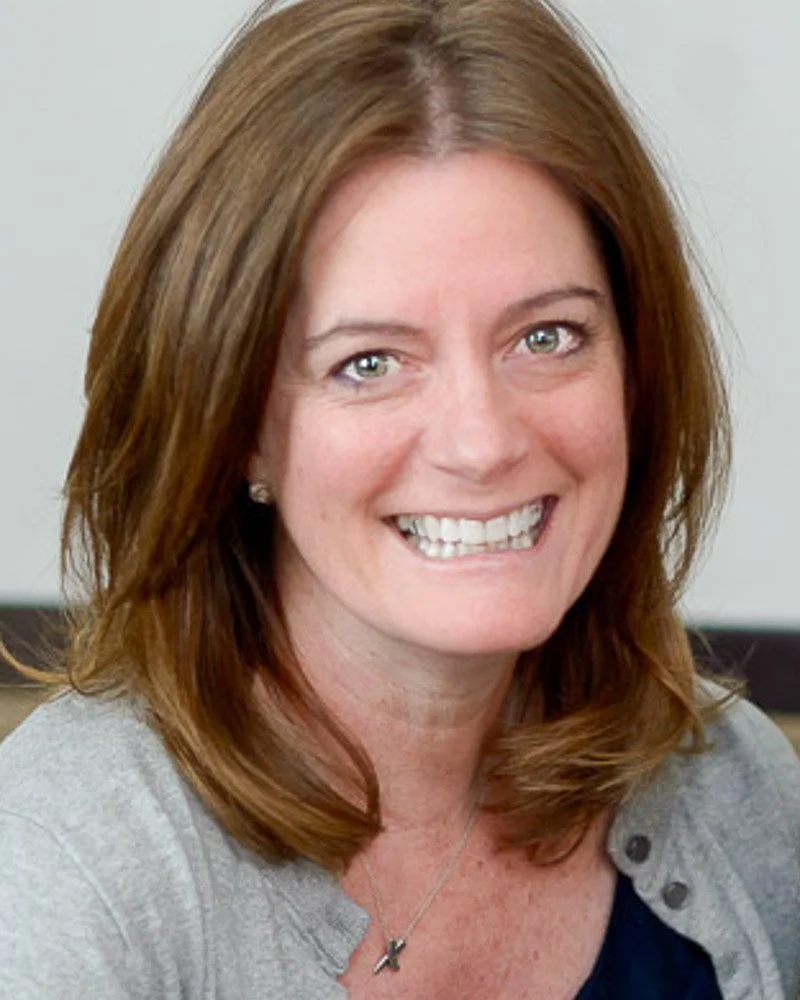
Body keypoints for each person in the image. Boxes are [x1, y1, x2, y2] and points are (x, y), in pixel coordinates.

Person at [2, 0, 799, 997]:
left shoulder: (734, 793)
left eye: (545, 336)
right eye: (368, 361)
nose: (480, 441)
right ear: (234, 418)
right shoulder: (60, 867)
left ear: (636, 370)